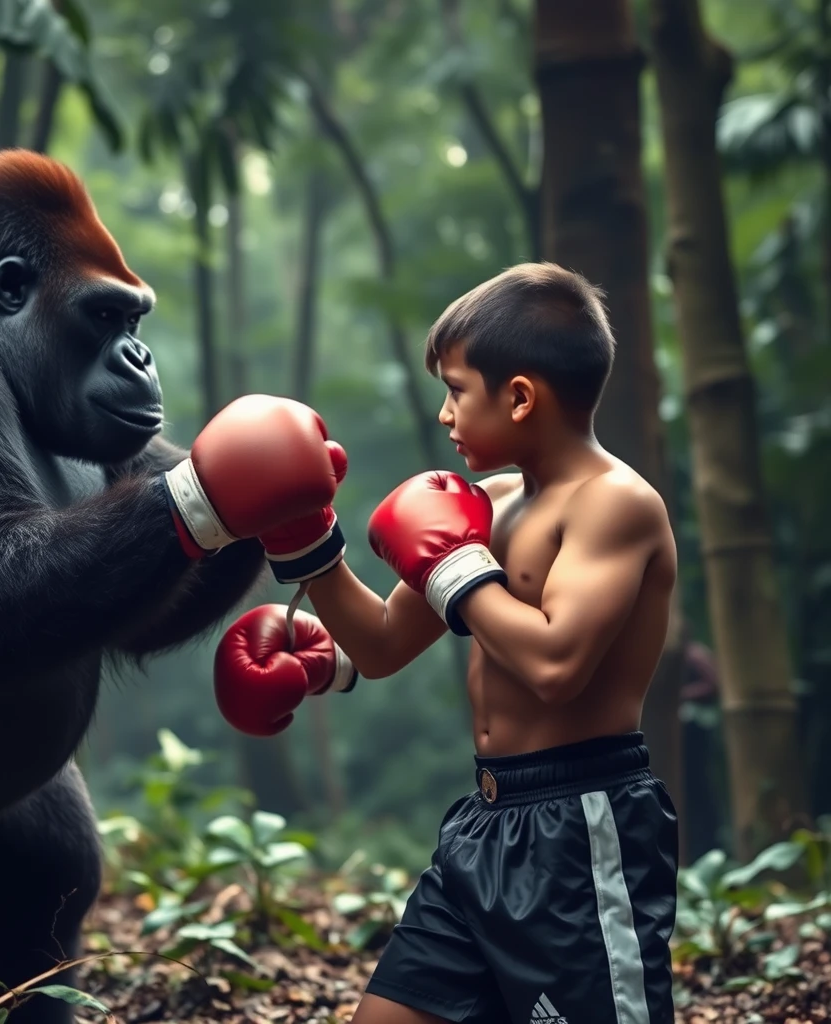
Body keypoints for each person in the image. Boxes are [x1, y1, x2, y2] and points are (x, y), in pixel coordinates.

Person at [217, 262, 680, 1024]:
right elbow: (385, 644)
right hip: (484, 827)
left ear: (522, 397)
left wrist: (456, 570)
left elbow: (555, 665)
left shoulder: (616, 505)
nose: (444, 414)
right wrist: (305, 542)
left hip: (581, 829)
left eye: (458, 390)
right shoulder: (489, 503)